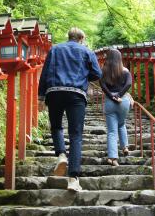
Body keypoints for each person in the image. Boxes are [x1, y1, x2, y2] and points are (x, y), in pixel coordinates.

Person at [38, 27, 102, 192]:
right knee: (76, 135)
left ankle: (60, 155)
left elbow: (44, 73)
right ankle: (73, 179)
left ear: (69, 37)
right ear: (81, 38)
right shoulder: (86, 51)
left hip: (54, 92)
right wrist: (83, 75)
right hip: (76, 94)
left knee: (56, 126)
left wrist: (41, 97)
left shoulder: (55, 49)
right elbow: (97, 74)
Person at [99, 48, 132, 167]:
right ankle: (125, 147)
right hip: (123, 101)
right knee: (121, 123)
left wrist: (111, 96)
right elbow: (128, 84)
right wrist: (119, 95)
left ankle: (113, 158)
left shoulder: (104, 71)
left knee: (112, 131)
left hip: (109, 101)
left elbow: (102, 85)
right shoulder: (125, 70)